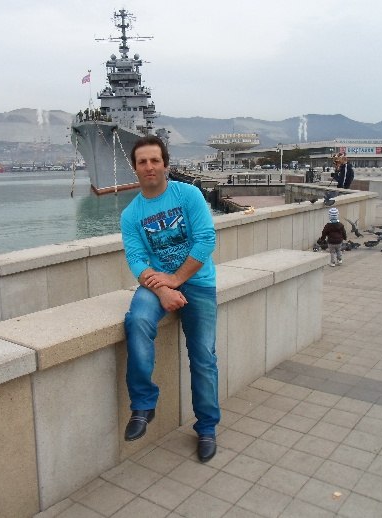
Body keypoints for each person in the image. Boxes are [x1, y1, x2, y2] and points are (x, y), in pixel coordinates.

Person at [120, 135, 220, 463]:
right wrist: (163, 290)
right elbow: (136, 260)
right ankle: (143, 405)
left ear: (165, 164)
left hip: (197, 282)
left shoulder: (188, 195)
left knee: (203, 357)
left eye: (155, 160)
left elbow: (206, 240)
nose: (149, 166)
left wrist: (177, 280)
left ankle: (206, 427)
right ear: (135, 168)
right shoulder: (131, 215)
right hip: (157, 285)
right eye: (142, 162)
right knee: (137, 321)